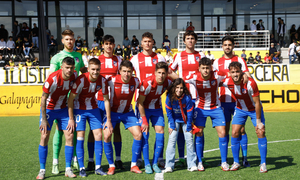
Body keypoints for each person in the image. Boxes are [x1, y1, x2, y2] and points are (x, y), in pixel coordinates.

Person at [49, 29, 86, 175]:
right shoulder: (57, 58)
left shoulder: (78, 56)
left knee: (74, 130)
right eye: (67, 39)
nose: (70, 42)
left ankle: (74, 159)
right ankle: (55, 162)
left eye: (72, 39)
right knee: (59, 131)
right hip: (61, 102)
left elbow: (83, 71)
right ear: (62, 41)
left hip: (76, 99)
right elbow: (51, 78)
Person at [83, 35, 123, 172]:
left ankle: (117, 159)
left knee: (115, 129)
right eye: (106, 43)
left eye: (111, 43)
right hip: (97, 101)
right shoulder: (96, 60)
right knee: (93, 131)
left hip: (113, 101)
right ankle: (90, 161)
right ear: (102, 45)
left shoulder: (119, 59)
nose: (109, 46)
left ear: (114, 45)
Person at [221, 61, 268, 173]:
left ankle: (263, 163)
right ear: (230, 73)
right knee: (234, 132)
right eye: (233, 72)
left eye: (237, 71)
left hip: (254, 110)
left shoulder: (250, 83)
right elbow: (213, 81)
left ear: (242, 72)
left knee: (260, 131)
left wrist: (258, 121)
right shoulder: (227, 81)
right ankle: (236, 162)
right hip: (240, 109)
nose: (235, 74)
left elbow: (257, 103)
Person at [67, 58, 110, 177]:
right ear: (88, 69)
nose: (95, 72)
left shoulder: (102, 80)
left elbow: (106, 100)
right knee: (81, 136)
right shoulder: (81, 80)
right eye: (93, 69)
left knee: (99, 135)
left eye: (97, 69)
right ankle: (82, 168)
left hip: (93, 108)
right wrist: (71, 118)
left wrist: (109, 120)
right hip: (79, 109)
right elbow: (71, 99)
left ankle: (98, 167)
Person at [213, 35, 251, 168]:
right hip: (223, 101)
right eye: (225, 45)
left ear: (233, 46)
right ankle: (227, 159)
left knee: (241, 130)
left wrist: (245, 74)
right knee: (226, 130)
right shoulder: (217, 62)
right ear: (222, 46)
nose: (227, 47)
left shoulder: (240, 59)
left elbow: (247, 75)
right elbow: (215, 80)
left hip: (238, 101)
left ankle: (244, 158)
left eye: (230, 44)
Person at [36, 57, 77, 179]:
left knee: (69, 135)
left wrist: (71, 117)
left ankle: (68, 169)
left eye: (71, 68)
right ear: (62, 67)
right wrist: (44, 119)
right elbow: (43, 98)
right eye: (67, 68)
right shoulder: (52, 79)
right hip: (49, 109)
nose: (69, 70)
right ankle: (42, 170)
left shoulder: (74, 77)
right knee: (44, 136)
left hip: (63, 109)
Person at [130, 31, 166, 168]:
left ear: (153, 43)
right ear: (141, 43)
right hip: (141, 102)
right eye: (145, 41)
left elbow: (168, 74)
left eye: (150, 41)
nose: (147, 44)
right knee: (143, 133)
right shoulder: (134, 59)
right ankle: (139, 159)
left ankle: (160, 158)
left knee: (160, 131)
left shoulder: (160, 58)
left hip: (156, 102)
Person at [186, 57, 229, 171]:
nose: (205, 70)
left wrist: (244, 75)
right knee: (199, 133)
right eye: (203, 68)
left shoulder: (217, 75)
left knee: (223, 133)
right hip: (200, 109)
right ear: (199, 68)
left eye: (207, 68)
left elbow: (231, 74)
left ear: (211, 68)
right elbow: (180, 80)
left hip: (216, 108)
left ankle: (224, 161)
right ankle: (199, 161)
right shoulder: (194, 77)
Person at [169, 30, 205, 166]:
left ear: (195, 41)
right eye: (188, 38)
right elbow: (170, 71)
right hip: (182, 97)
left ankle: (199, 159)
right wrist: (180, 80)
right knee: (180, 128)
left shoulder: (200, 55)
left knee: (198, 128)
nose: (190, 40)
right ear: (184, 41)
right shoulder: (179, 55)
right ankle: (182, 157)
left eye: (192, 38)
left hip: (198, 97)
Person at [103, 60, 142, 175]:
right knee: (107, 135)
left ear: (132, 72)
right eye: (124, 71)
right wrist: (108, 119)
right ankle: (111, 166)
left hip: (127, 112)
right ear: (119, 71)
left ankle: (133, 165)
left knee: (138, 134)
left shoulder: (135, 81)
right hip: (112, 112)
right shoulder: (112, 80)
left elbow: (146, 89)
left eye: (129, 71)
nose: (126, 74)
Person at [137, 62, 172, 174]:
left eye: (163, 73)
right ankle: (147, 163)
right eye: (159, 73)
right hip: (144, 109)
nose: (161, 75)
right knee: (145, 135)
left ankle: (155, 163)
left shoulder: (168, 82)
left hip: (157, 108)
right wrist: (144, 120)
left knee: (161, 135)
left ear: (167, 74)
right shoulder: (147, 83)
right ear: (155, 73)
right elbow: (140, 102)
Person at [164, 78, 197, 173]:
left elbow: (190, 112)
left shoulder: (187, 97)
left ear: (184, 89)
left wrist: (189, 126)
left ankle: (192, 164)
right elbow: (169, 112)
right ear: (174, 88)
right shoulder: (169, 97)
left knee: (189, 139)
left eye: (181, 88)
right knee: (172, 140)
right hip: (174, 120)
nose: (179, 90)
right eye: (177, 88)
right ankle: (169, 165)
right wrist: (171, 124)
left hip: (186, 120)